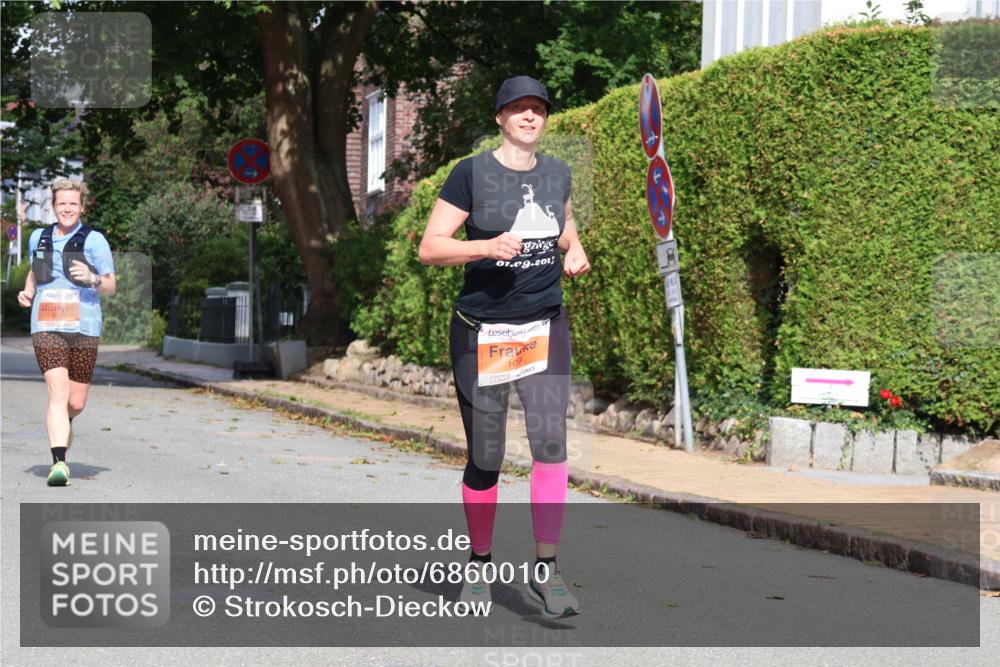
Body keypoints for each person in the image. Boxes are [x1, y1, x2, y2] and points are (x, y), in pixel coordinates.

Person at [418, 76, 590, 619]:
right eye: (518, 108)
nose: (529, 116)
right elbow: (430, 247)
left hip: (542, 326)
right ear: (500, 117)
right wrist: (485, 247)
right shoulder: (471, 173)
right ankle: (480, 564)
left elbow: (563, 225)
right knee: (487, 455)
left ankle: (547, 571)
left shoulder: (557, 172)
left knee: (551, 444)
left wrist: (575, 247)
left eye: (537, 109)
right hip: (482, 331)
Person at [18, 178, 116, 486]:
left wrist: (93, 277)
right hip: (46, 324)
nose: (67, 209)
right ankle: (59, 463)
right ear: (54, 206)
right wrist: (27, 291)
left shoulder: (95, 241)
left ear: (82, 207)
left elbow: (111, 286)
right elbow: (36, 272)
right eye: (62, 203)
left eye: (73, 204)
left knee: (76, 402)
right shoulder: (38, 237)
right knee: (57, 393)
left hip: (84, 325)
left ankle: (66, 422)